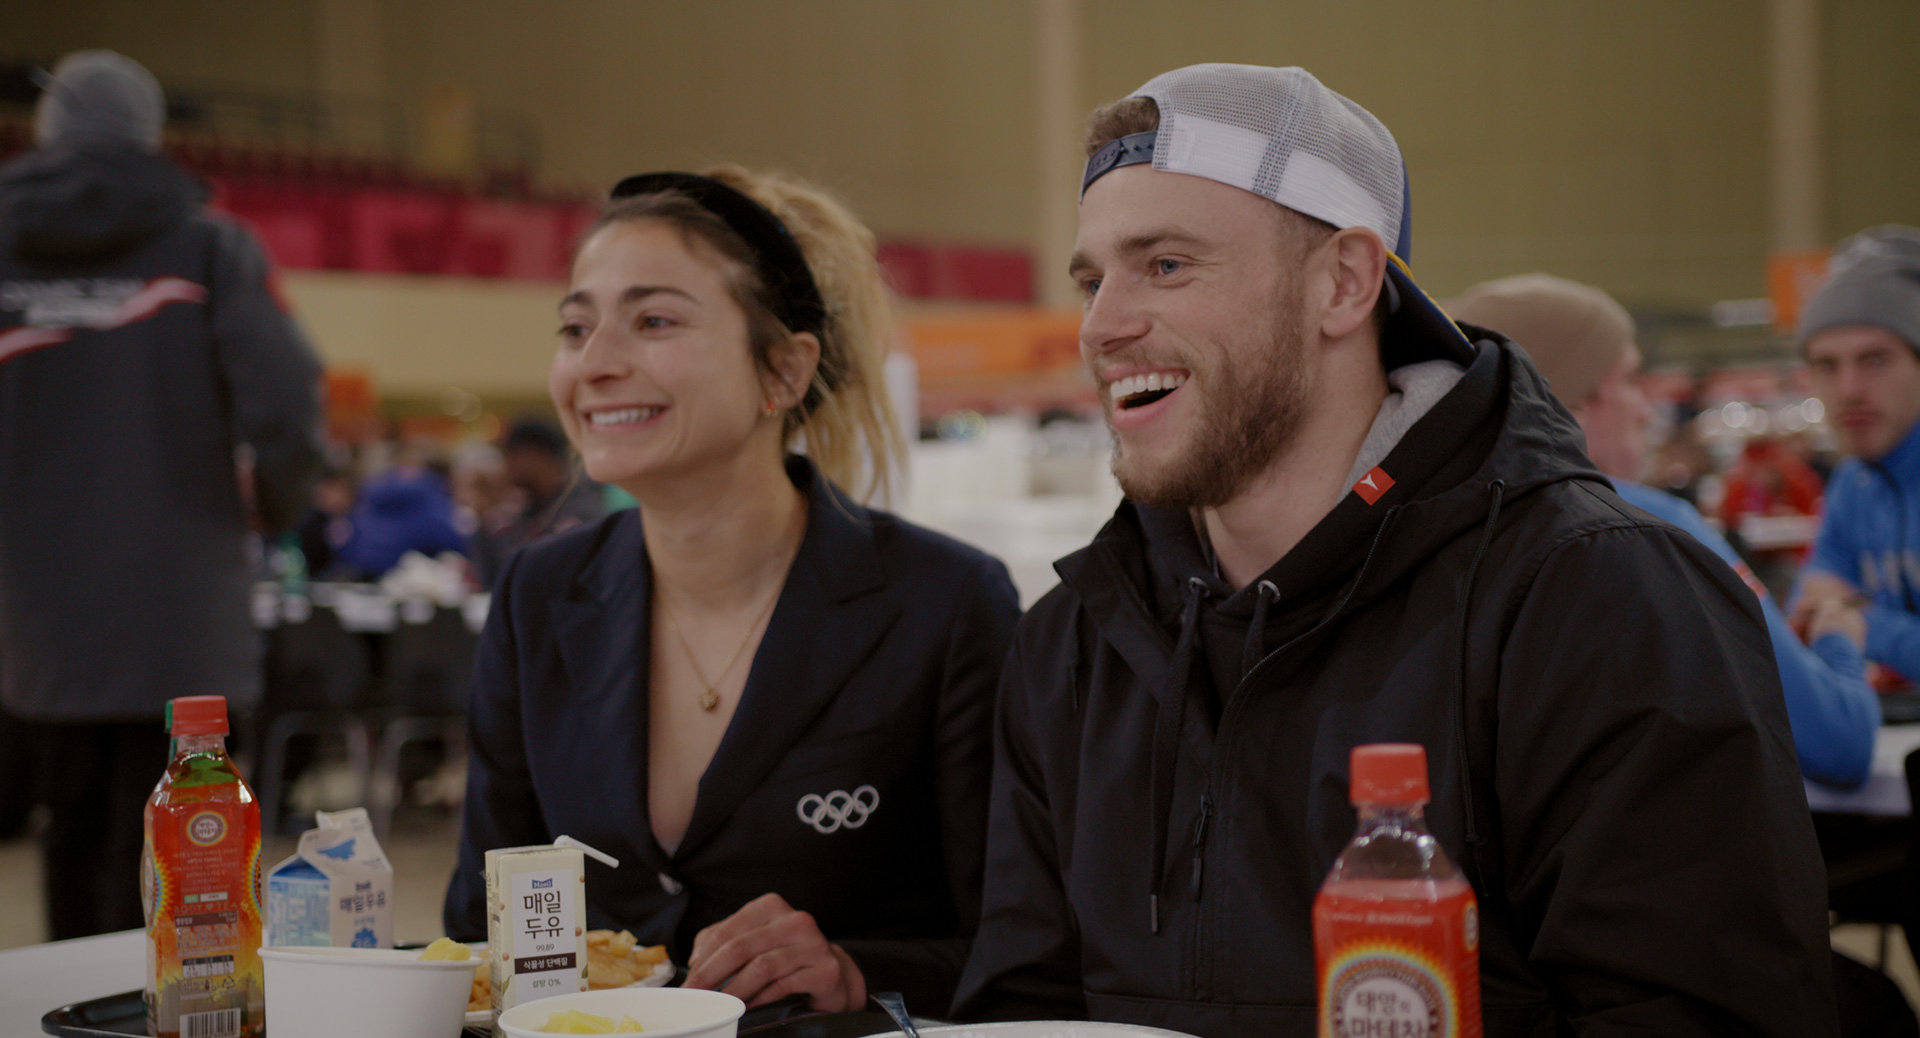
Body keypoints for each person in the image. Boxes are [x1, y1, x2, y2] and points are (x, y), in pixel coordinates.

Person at [951, 64, 1834, 1035]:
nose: (1101, 326)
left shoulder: (1601, 602)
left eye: (1165, 265)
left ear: (1343, 282)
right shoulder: (1076, 644)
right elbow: (1023, 1010)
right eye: (1092, 280)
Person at [444, 165, 1020, 1014]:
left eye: (653, 321)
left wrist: (854, 974)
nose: (594, 364)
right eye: (575, 327)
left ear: (782, 372)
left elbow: (1020, 947)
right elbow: (476, 926)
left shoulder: (944, 604)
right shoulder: (540, 594)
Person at [0, 51, 323, 938]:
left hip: (34, 619)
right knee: (186, 841)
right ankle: (176, 1002)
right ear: (149, 133)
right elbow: (287, 405)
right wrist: (280, 509)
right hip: (181, 609)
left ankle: (76, 997)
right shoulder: (209, 244)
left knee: (72, 825)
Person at [1449, 273, 1879, 789]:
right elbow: (1839, 740)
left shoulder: (1440, 532)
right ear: (1574, 400)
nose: (1646, 409)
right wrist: (1839, 640)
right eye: (1631, 380)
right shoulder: (1651, 526)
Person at [1792, 227, 1920, 682]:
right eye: (1826, 365)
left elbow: (1827, 613)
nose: (1849, 390)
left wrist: (1857, 618)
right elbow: (1806, 603)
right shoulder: (1853, 482)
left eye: (1875, 360)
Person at [470, 417, 606, 586]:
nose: (507, 464)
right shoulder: (513, 516)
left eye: (513, 454)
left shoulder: (585, 513)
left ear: (539, 456)